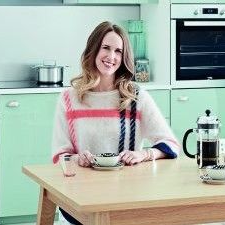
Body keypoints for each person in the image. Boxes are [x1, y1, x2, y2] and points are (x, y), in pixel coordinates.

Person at [51, 21, 180, 225]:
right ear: (93, 50)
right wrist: (77, 159)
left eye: (118, 51)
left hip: (127, 200)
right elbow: (60, 156)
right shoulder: (69, 98)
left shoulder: (136, 96)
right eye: (106, 48)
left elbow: (171, 145)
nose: (111, 57)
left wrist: (144, 154)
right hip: (79, 202)